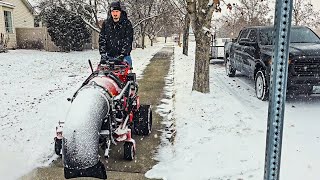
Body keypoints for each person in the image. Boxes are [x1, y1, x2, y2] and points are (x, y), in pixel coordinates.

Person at [99, 1, 134, 67]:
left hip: (124, 57)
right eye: (113, 12)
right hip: (109, 56)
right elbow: (102, 39)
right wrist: (103, 54)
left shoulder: (127, 24)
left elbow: (128, 40)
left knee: (127, 75)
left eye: (117, 11)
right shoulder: (106, 24)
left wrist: (122, 55)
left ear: (120, 12)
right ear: (110, 12)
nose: (115, 14)